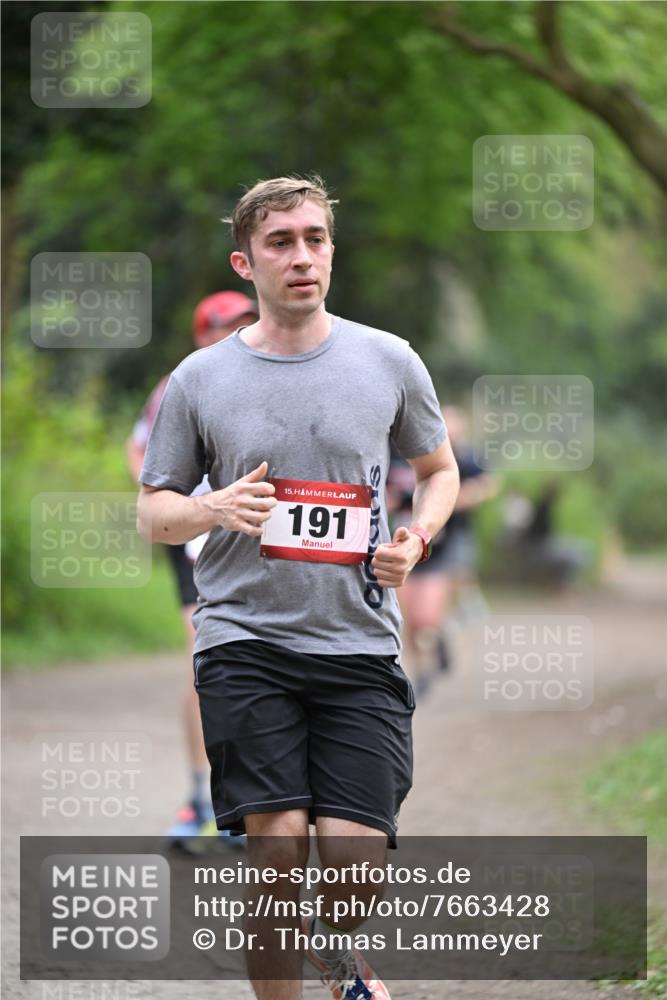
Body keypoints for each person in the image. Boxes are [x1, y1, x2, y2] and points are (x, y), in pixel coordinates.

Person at [137, 176, 459, 1000]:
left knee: (352, 869)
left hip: (358, 642)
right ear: (246, 263)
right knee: (274, 861)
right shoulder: (200, 379)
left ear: (330, 250)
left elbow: (438, 470)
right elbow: (154, 512)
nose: (302, 256)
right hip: (245, 642)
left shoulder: (388, 359)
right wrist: (211, 505)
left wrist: (415, 537)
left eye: (314, 238)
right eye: (281, 243)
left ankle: (339, 953)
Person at [126, 290, 258, 843]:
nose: (238, 333)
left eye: (247, 322)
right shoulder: (177, 383)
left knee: (262, 667)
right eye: (227, 325)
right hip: (196, 541)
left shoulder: (273, 372)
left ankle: (250, 801)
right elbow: (139, 451)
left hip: (258, 539)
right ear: (201, 334)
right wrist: (168, 499)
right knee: (204, 664)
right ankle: (198, 796)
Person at [388, 405, 499, 692]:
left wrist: (458, 498)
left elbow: (489, 483)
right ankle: (421, 670)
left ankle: (444, 629)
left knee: (427, 615)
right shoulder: (394, 457)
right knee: (409, 618)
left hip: (444, 544)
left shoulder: (459, 458)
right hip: (402, 545)